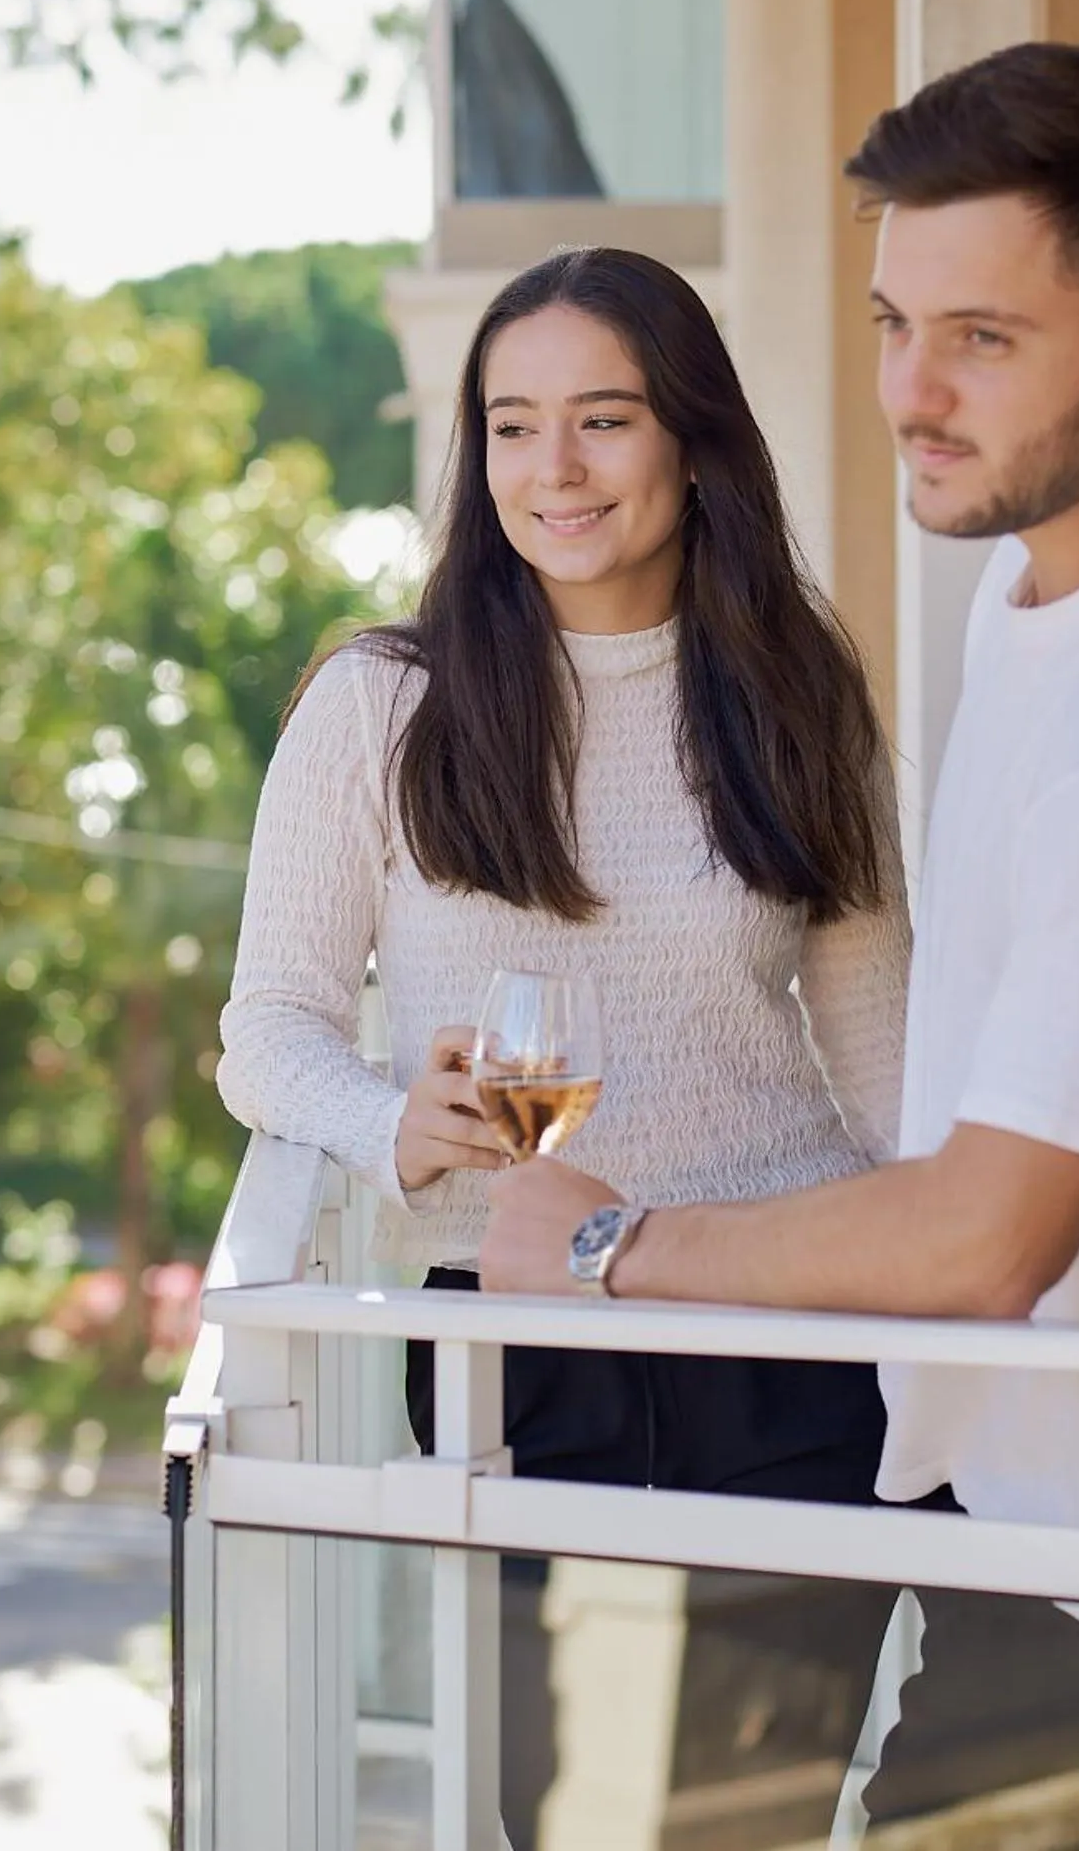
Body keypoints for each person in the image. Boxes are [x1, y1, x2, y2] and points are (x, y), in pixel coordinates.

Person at [481, 44, 1079, 1839]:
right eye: (895, 321)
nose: (909, 392)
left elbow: (981, 1240)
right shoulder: (1050, 577)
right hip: (1047, 1517)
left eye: (982, 338)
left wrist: (603, 1252)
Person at [216, 245, 911, 1845]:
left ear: (689, 439)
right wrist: (393, 1121)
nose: (555, 470)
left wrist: (970, 1296)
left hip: (782, 1327)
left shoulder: (796, 693)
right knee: (565, 1815)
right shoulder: (382, 706)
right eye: (512, 426)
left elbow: (882, 1059)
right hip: (518, 1341)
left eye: (602, 419)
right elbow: (269, 1029)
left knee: (752, 1816)